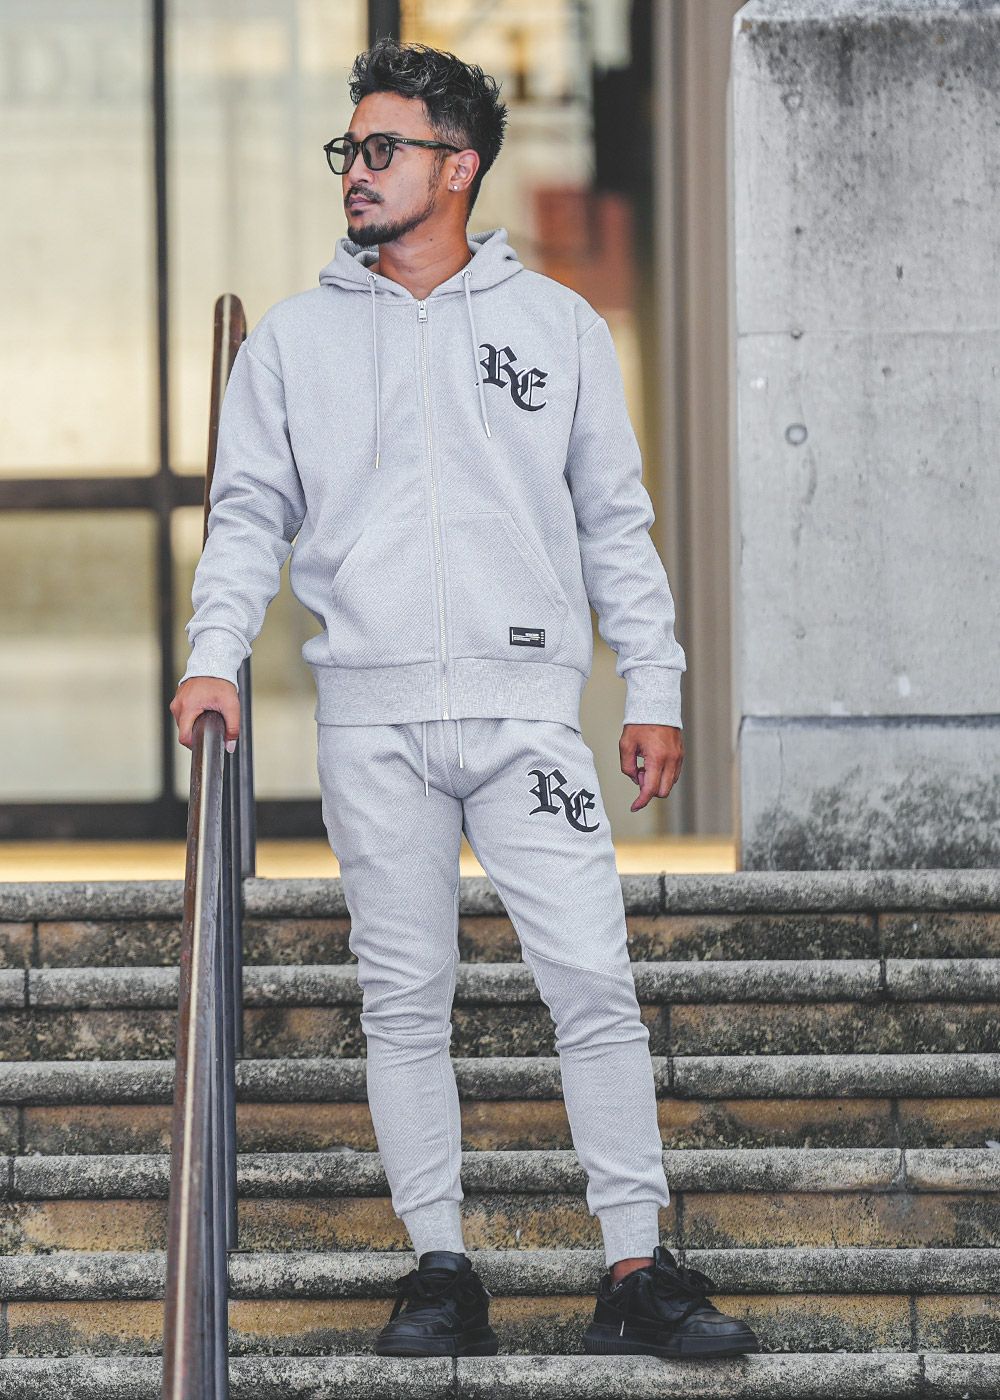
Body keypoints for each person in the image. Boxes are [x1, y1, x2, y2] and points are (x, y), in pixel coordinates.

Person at [170, 35, 758, 1362]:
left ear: (460, 166)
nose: (355, 170)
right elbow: (247, 516)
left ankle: (636, 1268)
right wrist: (214, 652)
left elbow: (615, 523)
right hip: (371, 720)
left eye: (383, 148)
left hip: (525, 715)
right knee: (404, 1000)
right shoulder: (295, 344)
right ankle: (442, 1269)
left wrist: (654, 685)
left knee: (592, 978)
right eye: (350, 147)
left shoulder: (559, 327)